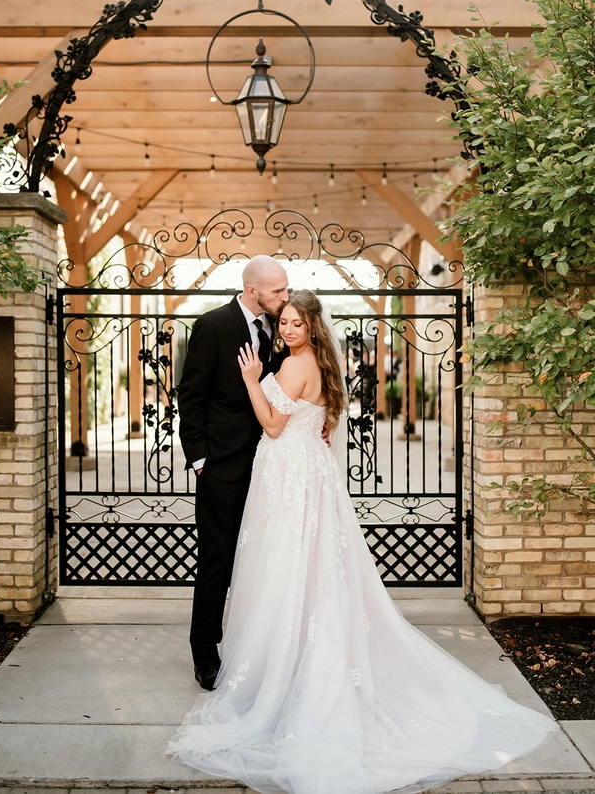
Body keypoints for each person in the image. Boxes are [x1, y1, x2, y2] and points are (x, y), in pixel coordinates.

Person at [169, 289, 558, 794]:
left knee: (287, 565)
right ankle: (301, 650)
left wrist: (249, 380)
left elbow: (271, 426)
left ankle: (288, 662)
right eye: (282, 321)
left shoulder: (291, 368)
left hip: (290, 475)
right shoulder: (322, 367)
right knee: (310, 566)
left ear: (311, 327)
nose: (286, 330)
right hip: (307, 474)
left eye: (294, 323)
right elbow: (322, 428)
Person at [177, 255, 289, 692]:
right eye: (277, 290)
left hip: (271, 463)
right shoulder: (213, 325)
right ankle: (204, 653)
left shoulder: (281, 329)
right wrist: (200, 458)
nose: (284, 296)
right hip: (222, 467)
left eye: (285, 289)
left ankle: (254, 646)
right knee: (216, 561)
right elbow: (191, 395)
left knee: (262, 558)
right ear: (252, 291)